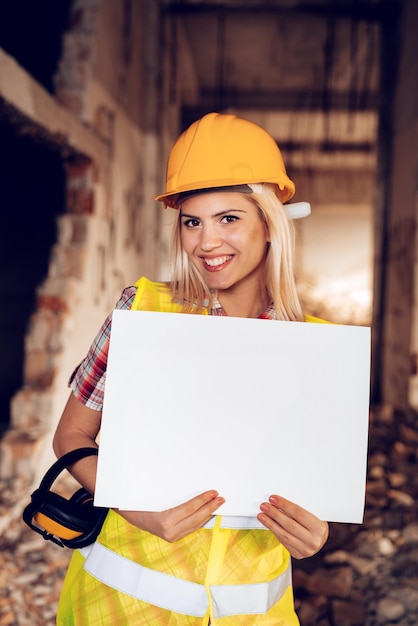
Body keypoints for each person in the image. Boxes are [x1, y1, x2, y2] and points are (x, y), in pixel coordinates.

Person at [53, 112, 329, 625]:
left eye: (229, 218)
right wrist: (134, 508)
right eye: (192, 221)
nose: (206, 242)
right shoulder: (143, 313)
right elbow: (70, 435)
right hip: (119, 609)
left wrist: (313, 534)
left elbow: (315, 484)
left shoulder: (312, 348)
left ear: (270, 223)